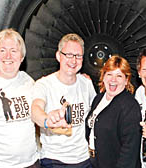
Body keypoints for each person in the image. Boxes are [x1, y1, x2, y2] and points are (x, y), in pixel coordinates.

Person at [31, 33, 96, 167]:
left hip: (83, 159)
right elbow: (35, 109)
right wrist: (47, 120)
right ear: (58, 56)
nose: (73, 61)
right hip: (54, 159)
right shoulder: (44, 84)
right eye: (68, 55)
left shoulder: (86, 83)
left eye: (78, 56)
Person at [0, 28, 39, 167]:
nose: (8, 56)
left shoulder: (28, 81)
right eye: (2, 50)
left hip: (30, 163)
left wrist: (76, 77)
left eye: (14, 51)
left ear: (22, 57)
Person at [85, 55, 142, 168]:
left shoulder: (130, 106)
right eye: (109, 74)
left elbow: (129, 150)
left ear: (126, 80)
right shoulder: (98, 99)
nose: (113, 80)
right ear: (103, 76)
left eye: (119, 76)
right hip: (96, 162)